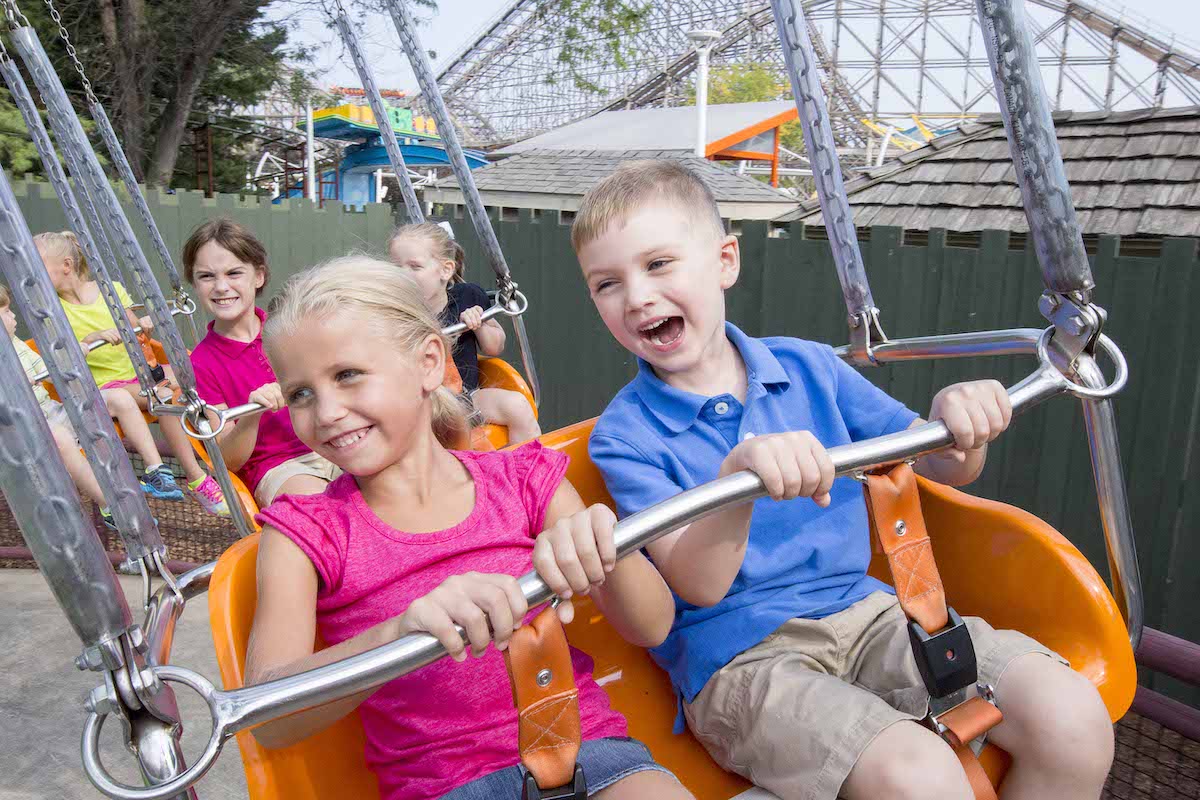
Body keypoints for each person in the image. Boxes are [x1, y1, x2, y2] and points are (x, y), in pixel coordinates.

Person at [574, 160, 1114, 800]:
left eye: (658, 265)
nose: (636, 296)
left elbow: (939, 464)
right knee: (921, 778)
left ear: (724, 262)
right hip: (742, 660)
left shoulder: (808, 369)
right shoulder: (626, 436)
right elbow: (697, 583)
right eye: (607, 283)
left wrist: (960, 423)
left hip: (871, 613)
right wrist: (735, 484)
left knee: (1071, 718)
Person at [242, 256, 689, 800]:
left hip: (591, 758)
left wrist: (605, 551)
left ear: (430, 362)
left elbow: (653, 626)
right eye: (301, 394)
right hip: (445, 788)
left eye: (347, 375)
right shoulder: (305, 532)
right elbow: (267, 715)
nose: (327, 411)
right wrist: (399, 635)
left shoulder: (523, 482)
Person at [33, 231, 228, 516]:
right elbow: (59, 354)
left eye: (38, 267)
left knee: (197, 372)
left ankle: (225, 444)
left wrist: (143, 324)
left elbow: (135, 328)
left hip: (138, 373)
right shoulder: (53, 310)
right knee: (163, 396)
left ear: (66, 265)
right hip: (105, 387)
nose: (33, 277)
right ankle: (197, 478)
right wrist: (93, 338)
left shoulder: (109, 290)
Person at [183, 218, 340, 508]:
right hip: (278, 467)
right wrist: (252, 414)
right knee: (320, 507)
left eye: (234, 273)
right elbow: (228, 458)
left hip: (333, 439)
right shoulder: (201, 365)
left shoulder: (287, 331)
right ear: (194, 282)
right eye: (206, 276)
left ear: (258, 276)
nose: (221, 287)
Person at [388, 222, 541, 444]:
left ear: (446, 270)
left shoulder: (467, 297)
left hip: (468, 398)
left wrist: (479, 325)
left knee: (517, 406)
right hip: (423, 405)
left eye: (415, 267)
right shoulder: (395, 313)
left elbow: (494, 347)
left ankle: (523, 471)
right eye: (396, 267)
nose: (403, 275)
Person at [1, 285, 125, 528]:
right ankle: (109, 505)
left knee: (95, 408)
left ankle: (122, 484)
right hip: (18, 426)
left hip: (48, 411)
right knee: (60, 439)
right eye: (6, 311)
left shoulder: (15, 343)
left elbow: (48, 372)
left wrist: (72, 354)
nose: (13, 316)